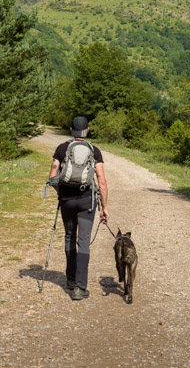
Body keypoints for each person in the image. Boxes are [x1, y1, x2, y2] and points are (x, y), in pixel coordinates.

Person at [48, 116, 109, 300]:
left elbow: (52, 176)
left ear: (70, 129)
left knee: (69, 237)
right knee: (83, 241)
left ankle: (70, 280)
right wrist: (104, 207)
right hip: (86, 201)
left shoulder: (61, 148)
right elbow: (102, 181)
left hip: (67, 200)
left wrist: (61, 193)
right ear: (87, 130)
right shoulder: (94, 151)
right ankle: (80, 288)